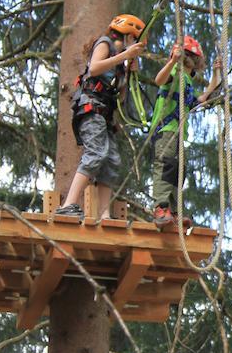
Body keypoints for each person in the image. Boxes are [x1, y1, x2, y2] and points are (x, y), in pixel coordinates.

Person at [55, 14, 146, 219]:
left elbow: (121, 98)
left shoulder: (120, 64)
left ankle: (104, 214)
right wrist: (124, 56)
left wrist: (130, 69)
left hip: (105, 115)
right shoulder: (105, 44)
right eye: (134, 41)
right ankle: (69, 204)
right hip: (91, 107)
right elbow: (94, 68)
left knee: (111, 160)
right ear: (128, 36)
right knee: (96, 153)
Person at [149, 35, 221, 226]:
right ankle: (161, 207)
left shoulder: (187, 83)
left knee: (178, 170)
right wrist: (173, 60)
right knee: (166, 166)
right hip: (166, 129)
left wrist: (216, 75)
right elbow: (159, 80)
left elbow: (202, 99)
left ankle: (171, 210)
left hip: (177, 132)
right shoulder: (175, 72)